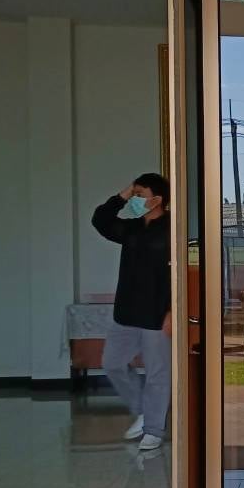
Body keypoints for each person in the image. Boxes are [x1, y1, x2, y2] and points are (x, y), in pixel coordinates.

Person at [92, 173, 172, 452]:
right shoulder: (132, 228)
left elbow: (178, 275)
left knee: (157, 373)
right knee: (112, 364)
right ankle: (143, 410)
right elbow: (100, 220)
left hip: (157, 314)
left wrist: (172, 311)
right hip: (125, 311)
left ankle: (154, 429)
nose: (134, 199)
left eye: (140, 195)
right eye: (134, 194)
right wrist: (124, 194)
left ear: (157, 200)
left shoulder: (173, 230)